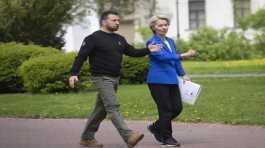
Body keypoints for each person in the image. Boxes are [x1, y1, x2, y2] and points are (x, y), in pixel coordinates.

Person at [69, 11, 161, 148]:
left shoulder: (119, 39)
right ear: (104, 22)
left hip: (115, 79)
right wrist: (74, 73)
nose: (117, 22)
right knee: (112, 107)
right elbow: (81, 56)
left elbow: (132, 52)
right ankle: (128, 136)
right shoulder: (93, 38)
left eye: (118, 20)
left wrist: (148, 50)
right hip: (101, 78)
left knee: (101, 110)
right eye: (114, 20)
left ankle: (87, 138)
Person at [146, 15, 196, 147]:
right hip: (157, 81)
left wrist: (183, 74)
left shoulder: (170, 41)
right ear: (153, 27)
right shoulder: (152, 42)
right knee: (166, 110)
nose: (164, 27)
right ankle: (167, 138)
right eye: (160, 25)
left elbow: (175, 60)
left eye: (165, 25)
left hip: (172, 80)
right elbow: (163, 57)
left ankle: (156, 127)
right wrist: (183, 55)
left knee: (177, 108)